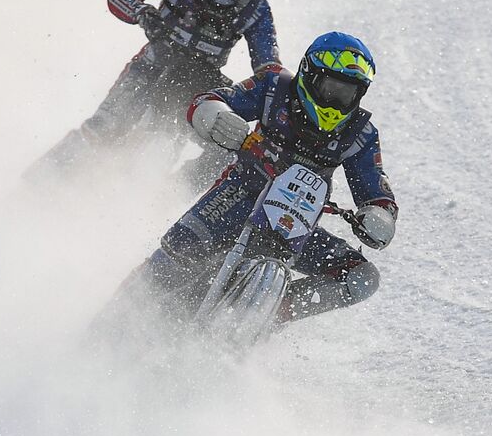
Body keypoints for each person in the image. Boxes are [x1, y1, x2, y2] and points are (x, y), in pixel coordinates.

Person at [134, 31, 396, 322]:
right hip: (236, 198)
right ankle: (125, 307)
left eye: (347, 94)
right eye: (332, 89)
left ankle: (273, 313)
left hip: (297, 228)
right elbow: (210, 100)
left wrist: (379, 216)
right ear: (309, 74)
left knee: (361, 277)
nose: (336, 104)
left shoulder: (361, 134)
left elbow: (377, 192)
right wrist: (217, 116)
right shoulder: (274, 86)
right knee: (176, 251)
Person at [28, 0, 281, 188]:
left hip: (200, 85)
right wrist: (142, 13)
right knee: (102, 129)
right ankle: (36, 183)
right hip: (151, 68)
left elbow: (269, 68)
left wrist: (270, 103)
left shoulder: (256, 7)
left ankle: (170, 196)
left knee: (233, 147)